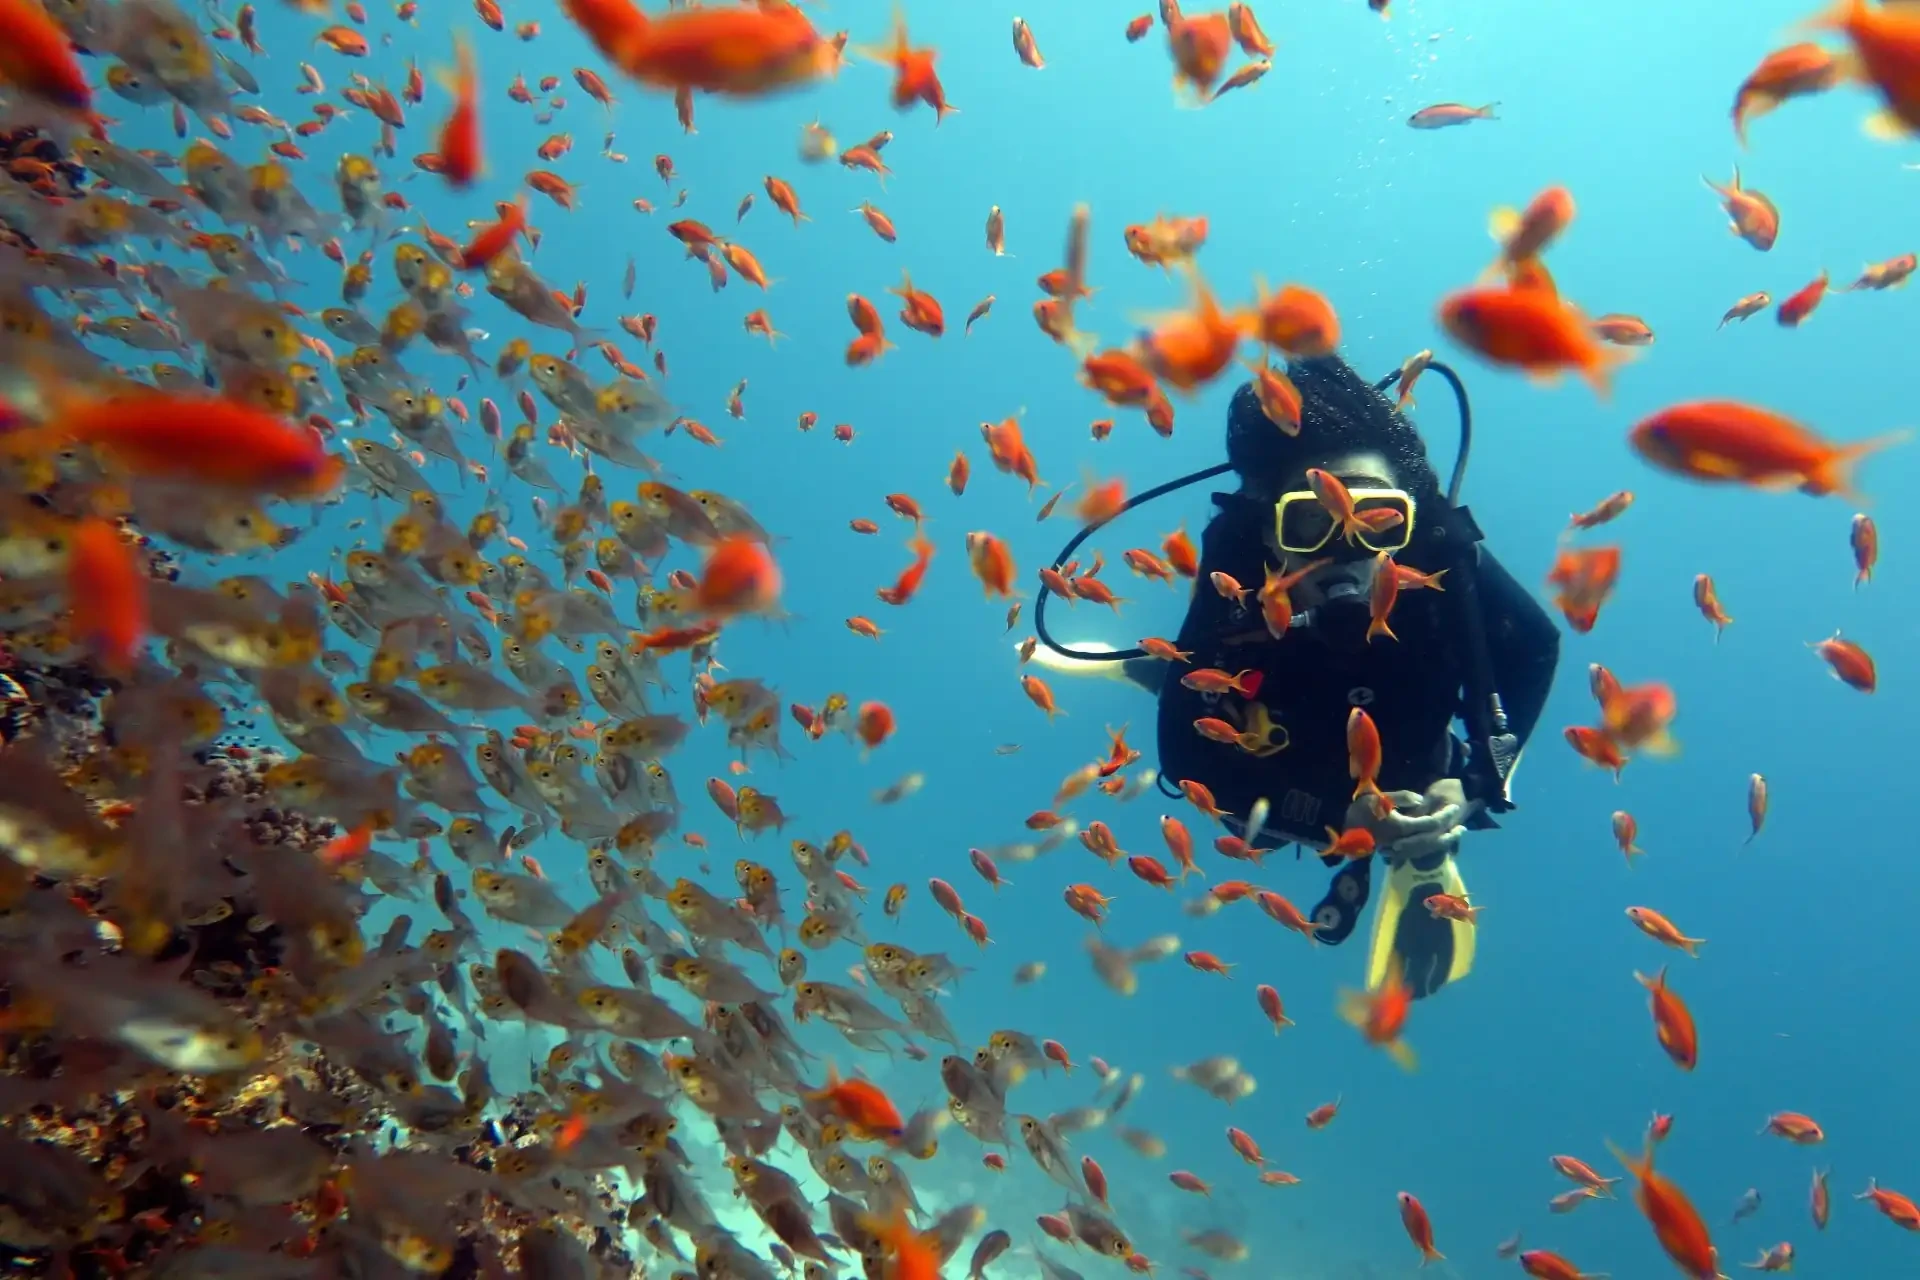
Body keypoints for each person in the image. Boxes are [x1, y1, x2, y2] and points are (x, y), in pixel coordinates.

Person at [1035, 354, 1560, 1001]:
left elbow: (1536, 647)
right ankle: (1155, 669)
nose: (1344, 553)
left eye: (1376, 521)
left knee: (1424, 795)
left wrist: (1474, 784)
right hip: (1277, 770)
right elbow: (1187, 755)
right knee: (1200, 690)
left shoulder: (1441, 556)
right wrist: (1334, 821)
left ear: (1407, 522)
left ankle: (1423, 850)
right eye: (1312, 522)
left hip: (1415, 765)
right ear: (1271, 531)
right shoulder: (1241, 567)